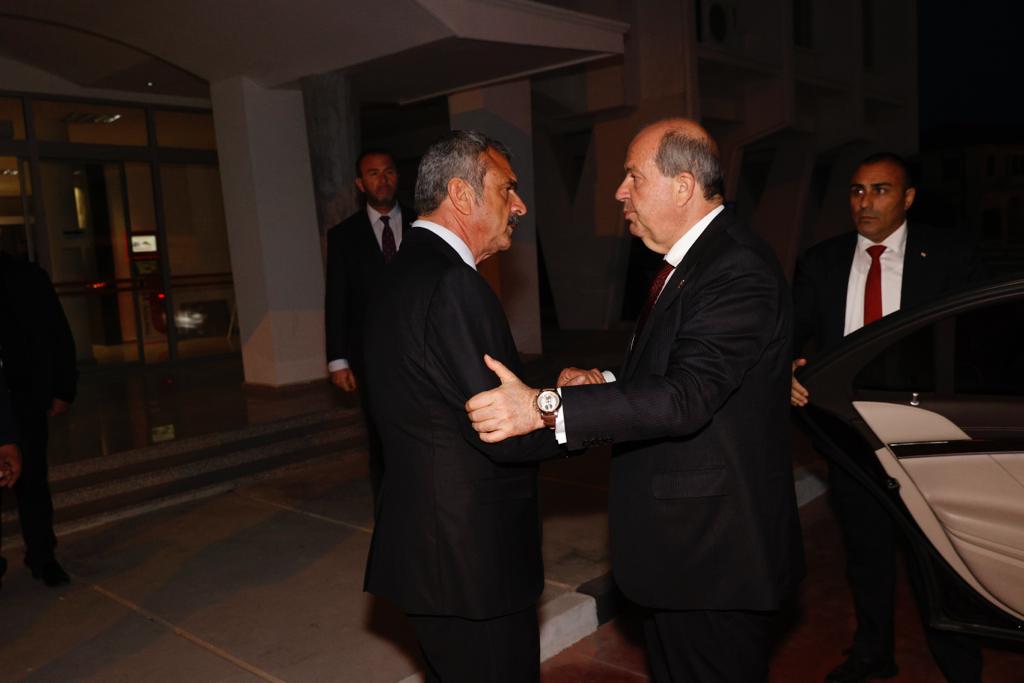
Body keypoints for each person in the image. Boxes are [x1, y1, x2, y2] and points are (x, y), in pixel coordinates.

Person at [466, 119, 804, 682]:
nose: (620, 192)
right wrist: (603, 378)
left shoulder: (736, 267)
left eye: (633, 177)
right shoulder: (696, 261)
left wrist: (544, 407)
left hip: (716, 559)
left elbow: (686, 397)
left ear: (683, 185)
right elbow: (678, 368)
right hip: (685, 554)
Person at [361, 130, 566, 682]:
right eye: (507, 188)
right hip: (472, 562)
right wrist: (574, 407)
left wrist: (540, 387)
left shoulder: (398, 273)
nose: (519, 205)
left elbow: (447, 394)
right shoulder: (455, 284)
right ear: (461, 193)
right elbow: (503, 427)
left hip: (430, 554)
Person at [791, 153, 983, 683]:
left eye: (880, 190)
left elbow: (981, 343)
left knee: (939, 561)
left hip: (925, 438)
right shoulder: (823, 261)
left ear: (908, 198)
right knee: (866, 553)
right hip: (851, 438)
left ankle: (960, 667)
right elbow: (788, 330)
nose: (865, 202)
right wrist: (785, 365)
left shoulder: (949, 257)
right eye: (857, 190)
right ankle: (872, 654)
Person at [324, 149, 413, 503]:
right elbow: (337, 299)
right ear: (361, 184)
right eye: (373, 173)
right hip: (371, 358)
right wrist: (338, 359)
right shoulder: (343, 236)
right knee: (380, 436)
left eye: (388, 171)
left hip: (422, 351)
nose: (383, 179)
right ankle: (389, 511)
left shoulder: (424, 225)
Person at [0, 251, 77, 587]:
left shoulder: (26, 276)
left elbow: (56, 331)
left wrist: (63, 388)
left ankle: (42, 555)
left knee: (32, 480)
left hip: (24, 397)